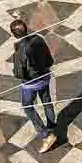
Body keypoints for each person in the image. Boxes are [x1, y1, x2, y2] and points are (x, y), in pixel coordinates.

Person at [10, 18, 57, 151]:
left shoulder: (20, 52)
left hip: (30, 83)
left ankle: (46, 135)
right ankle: (52, 126)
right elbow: (49, 60)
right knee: (46, 100)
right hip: (45, 76)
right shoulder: (39, 39)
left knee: (28, 106)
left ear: (14, 35)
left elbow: (19, 73)